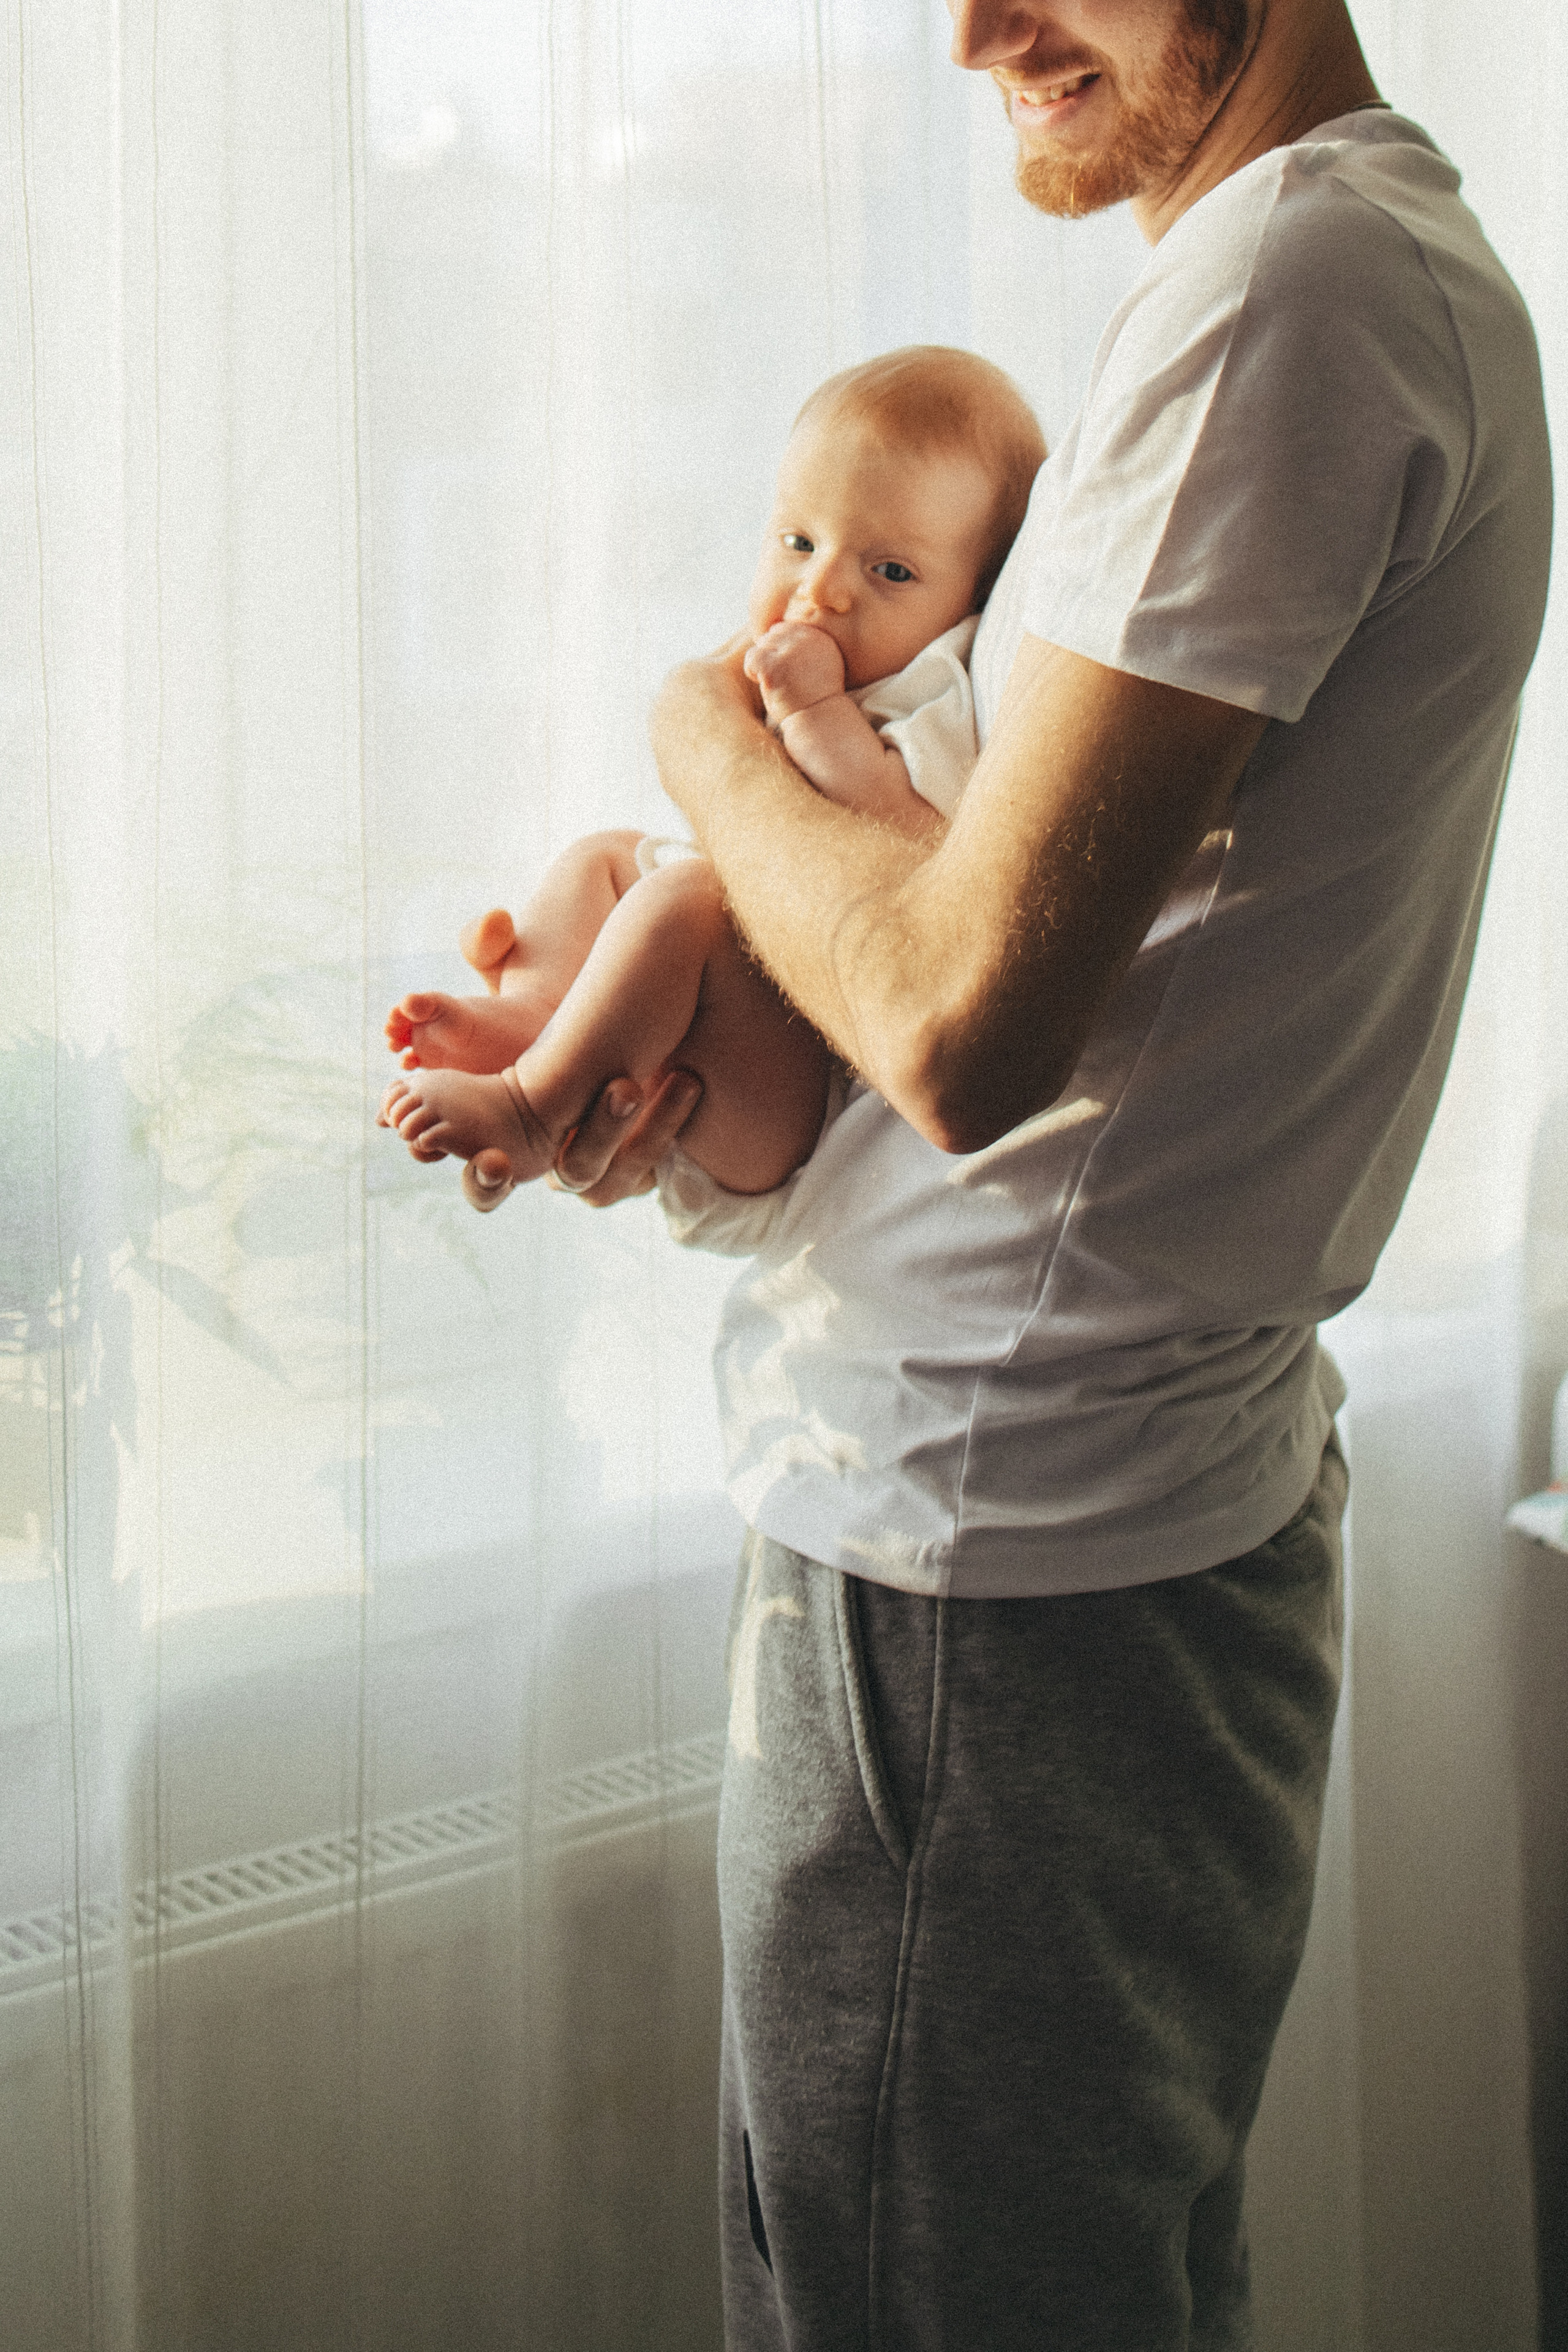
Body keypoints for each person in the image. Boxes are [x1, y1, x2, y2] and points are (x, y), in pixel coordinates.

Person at [458, 2, 1553, 2345]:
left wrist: (693, 732)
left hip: (993, 1575)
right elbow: (1058, 1010)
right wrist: (695, 1115)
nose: (973, 24)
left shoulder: (1289, 296)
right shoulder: (1357, 273)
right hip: (1083, 1524)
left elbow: (962, 1030)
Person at [376, 349, 1044, 1199]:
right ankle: (541, 1017)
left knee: (687, 900)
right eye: (799, 541)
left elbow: (917, 846)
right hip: (717, 1029)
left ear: (972, 601)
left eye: (891, 571)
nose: (822, 589)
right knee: (605, 858)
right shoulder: (807, 656)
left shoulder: (937, 694)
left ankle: (533, 1106)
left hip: (805, 1099)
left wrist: (811, 715)